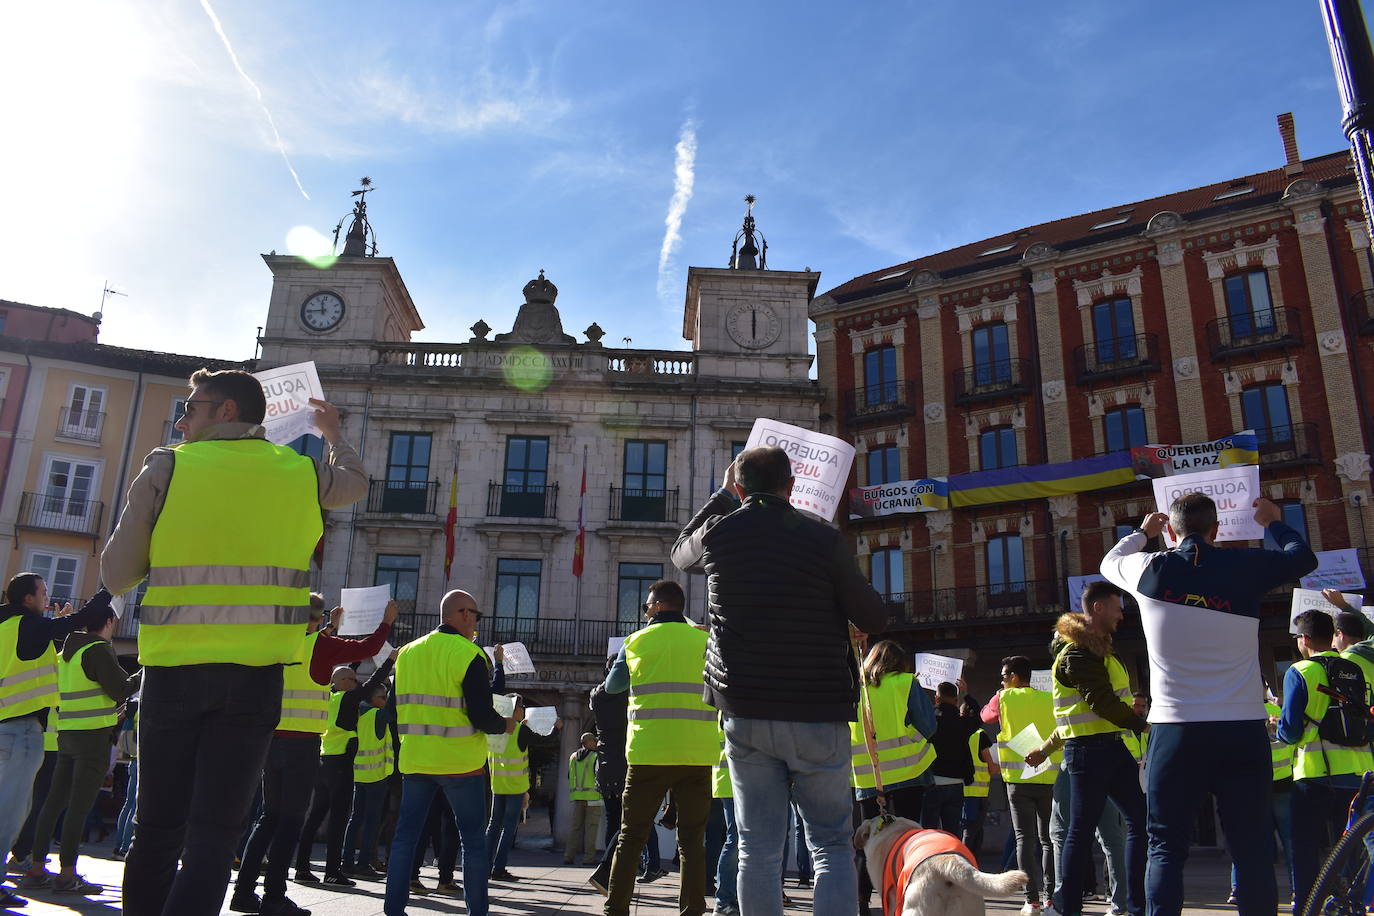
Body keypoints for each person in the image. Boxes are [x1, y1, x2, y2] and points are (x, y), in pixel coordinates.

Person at [102, 368, 367, 916]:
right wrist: (334, 433)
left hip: (174, 672)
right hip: (254, 679)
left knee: (157, 827)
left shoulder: (169, 464)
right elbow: (355, 484)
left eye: (192, 407)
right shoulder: (299, 470)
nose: (182, 419)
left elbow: (117, 575)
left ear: (225, 411)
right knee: (216, 833)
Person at [672, 446, 887, 916]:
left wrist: (722, 497)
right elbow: (872, 612)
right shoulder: (822, 538)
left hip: (745, 711)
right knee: (830, 845)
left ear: (741, 487)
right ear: (791, 486)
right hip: (818, 710)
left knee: (757, 848)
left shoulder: (719, 534)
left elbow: (679, 552)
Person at [1099, 495, 1316, 916]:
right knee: (1251, 847)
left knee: (1164, 847)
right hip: (1242, 729)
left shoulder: (1149, 568)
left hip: (1175, 731)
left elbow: (1110, 561)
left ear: (1172, 532)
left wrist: (1143, 533)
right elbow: (1302, 558)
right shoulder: (1247, 565)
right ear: (1217, 530)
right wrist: (1274, 522)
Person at [233, 596, 395, 916]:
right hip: (302, 744)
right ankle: (275, 896)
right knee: (290, 821)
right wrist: (387, 621)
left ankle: (243, 892)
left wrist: (331, 625)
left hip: (272, 740)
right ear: (315, 618)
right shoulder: (320, 647)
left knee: (268, 818)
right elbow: (369, 647)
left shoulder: (277, 643)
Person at [383, 589, 514, 916]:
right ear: (464, 614)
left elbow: (391, 712)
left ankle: (394, 909)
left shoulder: (408, 653)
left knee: (405, 839)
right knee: (472, 841)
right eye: (477, 616)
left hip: (415, 762)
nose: (476, 624)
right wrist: (508, 724)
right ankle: (477, 912)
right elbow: (482, 716)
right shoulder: (470, 655)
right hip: (460, 764)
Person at [1026, 580, 1148, 916]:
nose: (1122, 613)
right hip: (1089, 753)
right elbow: (1102, 703)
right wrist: (1143, 724)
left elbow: (1083, 712)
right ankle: (1068, 908)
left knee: (1138, 819)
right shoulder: (1078, 653)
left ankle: (1135, 904)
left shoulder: (1099, 650)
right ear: (1097, 608)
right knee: (1080, 831)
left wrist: (1046, 747)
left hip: (1107, 748)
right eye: (1117, 606)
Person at [596, 579, 714, 916]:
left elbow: (612, 687)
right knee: (692, 841)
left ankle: (616, 908)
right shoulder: (704, 640)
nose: (645, 611)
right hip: (696, 753)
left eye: (647, 606)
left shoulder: (634, 642)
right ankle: (693, 908)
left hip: (649, 754)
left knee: (630, 836)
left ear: (659, 606)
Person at [0, 576, 111, 908]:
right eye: (44, 593)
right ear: (28, 599)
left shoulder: (6, 625)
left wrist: (55, 624)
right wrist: (108, 589)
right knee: (10, 813)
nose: (47, 598)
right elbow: (77, 621)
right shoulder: (30, 625)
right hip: (20, 730)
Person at [21, 601, 139, 894]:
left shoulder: (66, 654)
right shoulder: (97, 650)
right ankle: (67, 874)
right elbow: (120, 689)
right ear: (109, 623)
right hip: (92, 738)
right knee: (79, 806)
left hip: (67, 734)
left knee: (54, 801)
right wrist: (143, 672)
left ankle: (36, 867)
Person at [1280, 609, 1365, 910]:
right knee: (1349, 847)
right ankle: (1351, 903)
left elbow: (1289, 731)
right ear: (1332, 636)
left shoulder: (1300, 671)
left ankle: (1307, 905)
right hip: (1356, 775)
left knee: (1303, 847)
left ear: (1303, 639)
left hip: (1314, 776)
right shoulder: (1354, 667)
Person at [294, 650, 397, 885]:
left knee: (315, 817)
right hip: (340, 765)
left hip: (324, 762)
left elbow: (347, 674)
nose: (355, 681)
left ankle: (301, 868)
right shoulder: (347, 698)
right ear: (340, 683)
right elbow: (372, 683)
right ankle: (332, 871)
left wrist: (361, 655)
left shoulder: (329, 697)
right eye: (351, 679)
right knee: (338, 820)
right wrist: (390, 661)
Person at [849, 639, 936, 909]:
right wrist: (909, 735)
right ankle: (902, 901)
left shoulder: (857, 689)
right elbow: (929, 726)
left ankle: (861, 901)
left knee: (868, 842)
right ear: (898, 663)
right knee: (907, 841)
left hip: (867, 777)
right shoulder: (907, 683)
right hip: (909, 773)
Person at [996, 655, 1060, 916]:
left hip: (1018, 780)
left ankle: (1030, 901)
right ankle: (1050, 900)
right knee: (1049, 841)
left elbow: (985, 715)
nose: (1001, 681)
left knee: (1025, 839)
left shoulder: (1002, 697)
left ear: (1013, 677)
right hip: (1049, 778)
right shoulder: (1049, 699)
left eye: (1003, 676)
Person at [341, 680, 395, 882]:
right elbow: (394, 708)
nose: (386, 700)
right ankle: (363, 863)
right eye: (382, 696)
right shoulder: (378, 715)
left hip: (358, 773)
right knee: (371, 822)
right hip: (376, 776)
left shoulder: (356, 713)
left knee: (354, 820)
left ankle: (346, 862)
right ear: (372, 699)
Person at [487, 694, 536, 882]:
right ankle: (499, 869)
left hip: (497, 784)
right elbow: (545, 738)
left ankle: (485, 866)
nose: (523, 709)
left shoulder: (493, 729)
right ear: (515, 709)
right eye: (521, 706)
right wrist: (556, 727)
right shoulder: (520, 730)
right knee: (508, 828)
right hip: (515, 787)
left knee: (493, 826)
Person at [924, 680, 978, 833]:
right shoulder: (963, 723)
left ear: (937, 699)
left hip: (932, 781)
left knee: (929, 834)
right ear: (956, 700)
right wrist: (966, 694)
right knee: (953, 833)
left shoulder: (930, 722)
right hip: (956, 783)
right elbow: (978, 716)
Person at [961, 696, 999, 855]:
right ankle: (969, 864)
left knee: (968, 831)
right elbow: (992, 768)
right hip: (979, 794)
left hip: (962, 791)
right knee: (973, 834)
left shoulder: (958, 732)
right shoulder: (980, 735)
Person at [565, 732, 603, 866]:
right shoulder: (595, 757)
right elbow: (599, 777)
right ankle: (589, 858)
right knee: (591, 829)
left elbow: (569, 776)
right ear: (590, 742)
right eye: (595, 741)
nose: (597, 743)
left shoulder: (573, 757)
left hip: (577, 797)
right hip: (593, 798)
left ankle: (568, 856)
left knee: (575, 828)